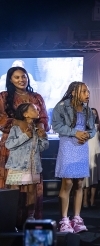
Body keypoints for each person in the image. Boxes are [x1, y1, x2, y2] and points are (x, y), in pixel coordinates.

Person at [0, 66, 49, 228]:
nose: (22, 80)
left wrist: (40, 127)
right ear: (10, 80)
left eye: (24, 76)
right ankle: (10, 222)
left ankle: (29, 222)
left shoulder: (37, 98)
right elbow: (1, 119)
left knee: (31, 189)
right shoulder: (4, 97)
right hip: (12, 148)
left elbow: (43, 118)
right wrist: (21, 124)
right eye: (17, 77)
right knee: (13, 187)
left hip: (32, 146)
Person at [52, 81, 95, 233]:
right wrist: (75, 132)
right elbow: (56, 126)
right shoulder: (62, 106)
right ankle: (64, 219)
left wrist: (87, 135)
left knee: (80, 183)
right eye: (84, 91)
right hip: (68, 145)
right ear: (74, 92)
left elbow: (92, 129)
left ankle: (77, 217)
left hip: (82, 147)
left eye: (88, 91)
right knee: (68, 182)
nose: (87, 94)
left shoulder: (87, 110)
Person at [5, 103, 49, 221]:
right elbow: (9, 145)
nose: (38, 110)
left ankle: (30, 216)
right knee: (14, 191)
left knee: (31, 191)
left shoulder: (36, 128)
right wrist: (25, 135)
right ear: (25, 114)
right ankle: (12, 216)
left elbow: (42, 147)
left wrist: (43, 137)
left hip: (33, 166)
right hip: (17, 165)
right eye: (34, 109)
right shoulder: (15, 128)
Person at [83, 108, 100, 208]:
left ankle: (92, 199)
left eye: (95, 114)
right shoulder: (85, 126)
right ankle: (85, 199)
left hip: (98, 151)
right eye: (92, 114)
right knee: (88, 178)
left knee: (95, 177)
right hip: (88, 152)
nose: (94, 115)